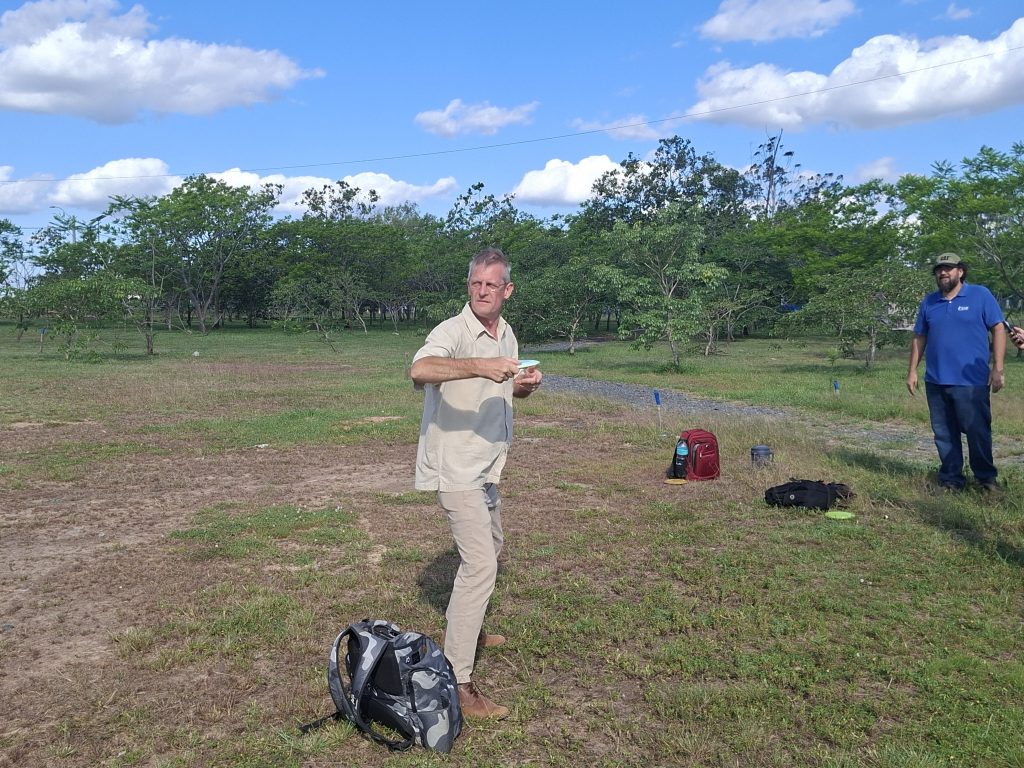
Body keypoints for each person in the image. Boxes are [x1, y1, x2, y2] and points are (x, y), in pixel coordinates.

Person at [410, 247, 542, 720]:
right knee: (480, 565)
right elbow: (420, 370)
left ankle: (468, 625)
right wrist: (481, 366)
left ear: (507, 290)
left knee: (493, 546)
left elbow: (505, 387)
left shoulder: (504, 332)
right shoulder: (452, 331)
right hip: (457, 468)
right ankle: (457, 681)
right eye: (475, 284)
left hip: (488, 467)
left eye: (491, 285)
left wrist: (522, 385)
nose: (482, 292)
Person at [907, 253, 1006, 493]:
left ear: (960, 271)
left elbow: (998, 329)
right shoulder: (929, 302)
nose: (943, 273)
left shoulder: (980, 295)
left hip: (970, 382)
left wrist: (998, 368)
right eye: (939, 269)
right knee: (944, 434)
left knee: (977, 432)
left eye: (948, 268)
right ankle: (951, 480)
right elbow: (920, 337)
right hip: (936, 380)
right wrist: (912, 371)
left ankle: (986, 480)